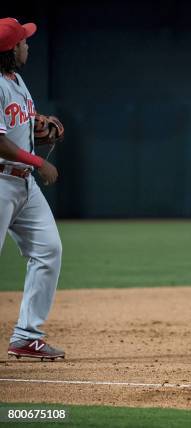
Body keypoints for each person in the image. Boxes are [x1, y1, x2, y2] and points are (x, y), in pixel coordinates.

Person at [0, 18, 64, 360]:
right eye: (23, 41)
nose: (28, 44)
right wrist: (40, 162)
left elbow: (17, 124)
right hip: (1, 181)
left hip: (22, 183)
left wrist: (37, 125)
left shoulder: (17, 79)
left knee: (48, 251)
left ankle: (26, 336)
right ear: (12, 50)